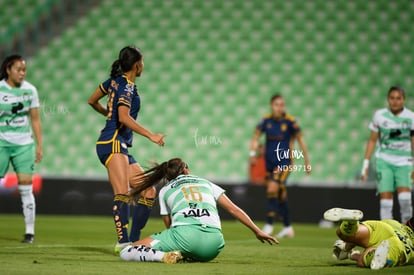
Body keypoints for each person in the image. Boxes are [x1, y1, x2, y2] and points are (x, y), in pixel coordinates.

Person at [119, 158, 278, 263]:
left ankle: (163, 257)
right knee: (192, 246)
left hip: (185, 238)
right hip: (214, 245)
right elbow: (234, 209)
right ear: (187, 170)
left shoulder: (165, 190)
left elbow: (169, 225)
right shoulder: (206, 183)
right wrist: (257, 231)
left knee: (127, 252)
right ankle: (191, 254)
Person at [88, 46, 166, 253]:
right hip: (112, 142)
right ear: (137, 64)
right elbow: (123, 117)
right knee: (122, 192)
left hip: (116, 143)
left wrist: (108, 114)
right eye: (143, 62)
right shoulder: (128, 87)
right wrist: (151, 135)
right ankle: (123, 243)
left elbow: (91, 100)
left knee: (148, 190)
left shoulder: (115, 81)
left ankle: (133, 241)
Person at [250, 94, 311, 238]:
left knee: (272, 188)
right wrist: (252, 153)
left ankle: (269, 225)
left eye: (282, 105)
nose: (279, 108)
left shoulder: (290, 121)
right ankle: (288, 227)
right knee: (280, 194)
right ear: (271, 105)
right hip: (270, 163)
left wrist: (307, 161)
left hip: (284, 162)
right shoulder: (265, 121)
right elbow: (256, 137)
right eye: (277, 104)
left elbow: (301, 141)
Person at [0, 54, 43, 243]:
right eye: (18, 69)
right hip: (1, 142)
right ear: (8, 69)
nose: (22, 73)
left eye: (24, 69)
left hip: (24, 145)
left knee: (26, 188)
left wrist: (39, 145)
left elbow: (35, 118)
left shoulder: (30, 90)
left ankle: (29, 232)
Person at [361, 86, 414, 223]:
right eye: (392, 98)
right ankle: (388, 234)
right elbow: (372, 140)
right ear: (388, 99)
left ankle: (407, 233)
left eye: (398, 98)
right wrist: (365, 164)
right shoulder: (379, 115)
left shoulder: (411, 117)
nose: (395, 101)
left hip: (404, 161)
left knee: (405, 199)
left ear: (404, 100)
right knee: (385, 201)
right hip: (384, 160)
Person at [324, 207, 414, 270]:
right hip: (403, 244)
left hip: (389, 226)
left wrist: (347, 249)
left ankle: (350, 223)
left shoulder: (397, 223)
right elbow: (360, 261)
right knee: (365, 261)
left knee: (346, 234)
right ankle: (377, 255)